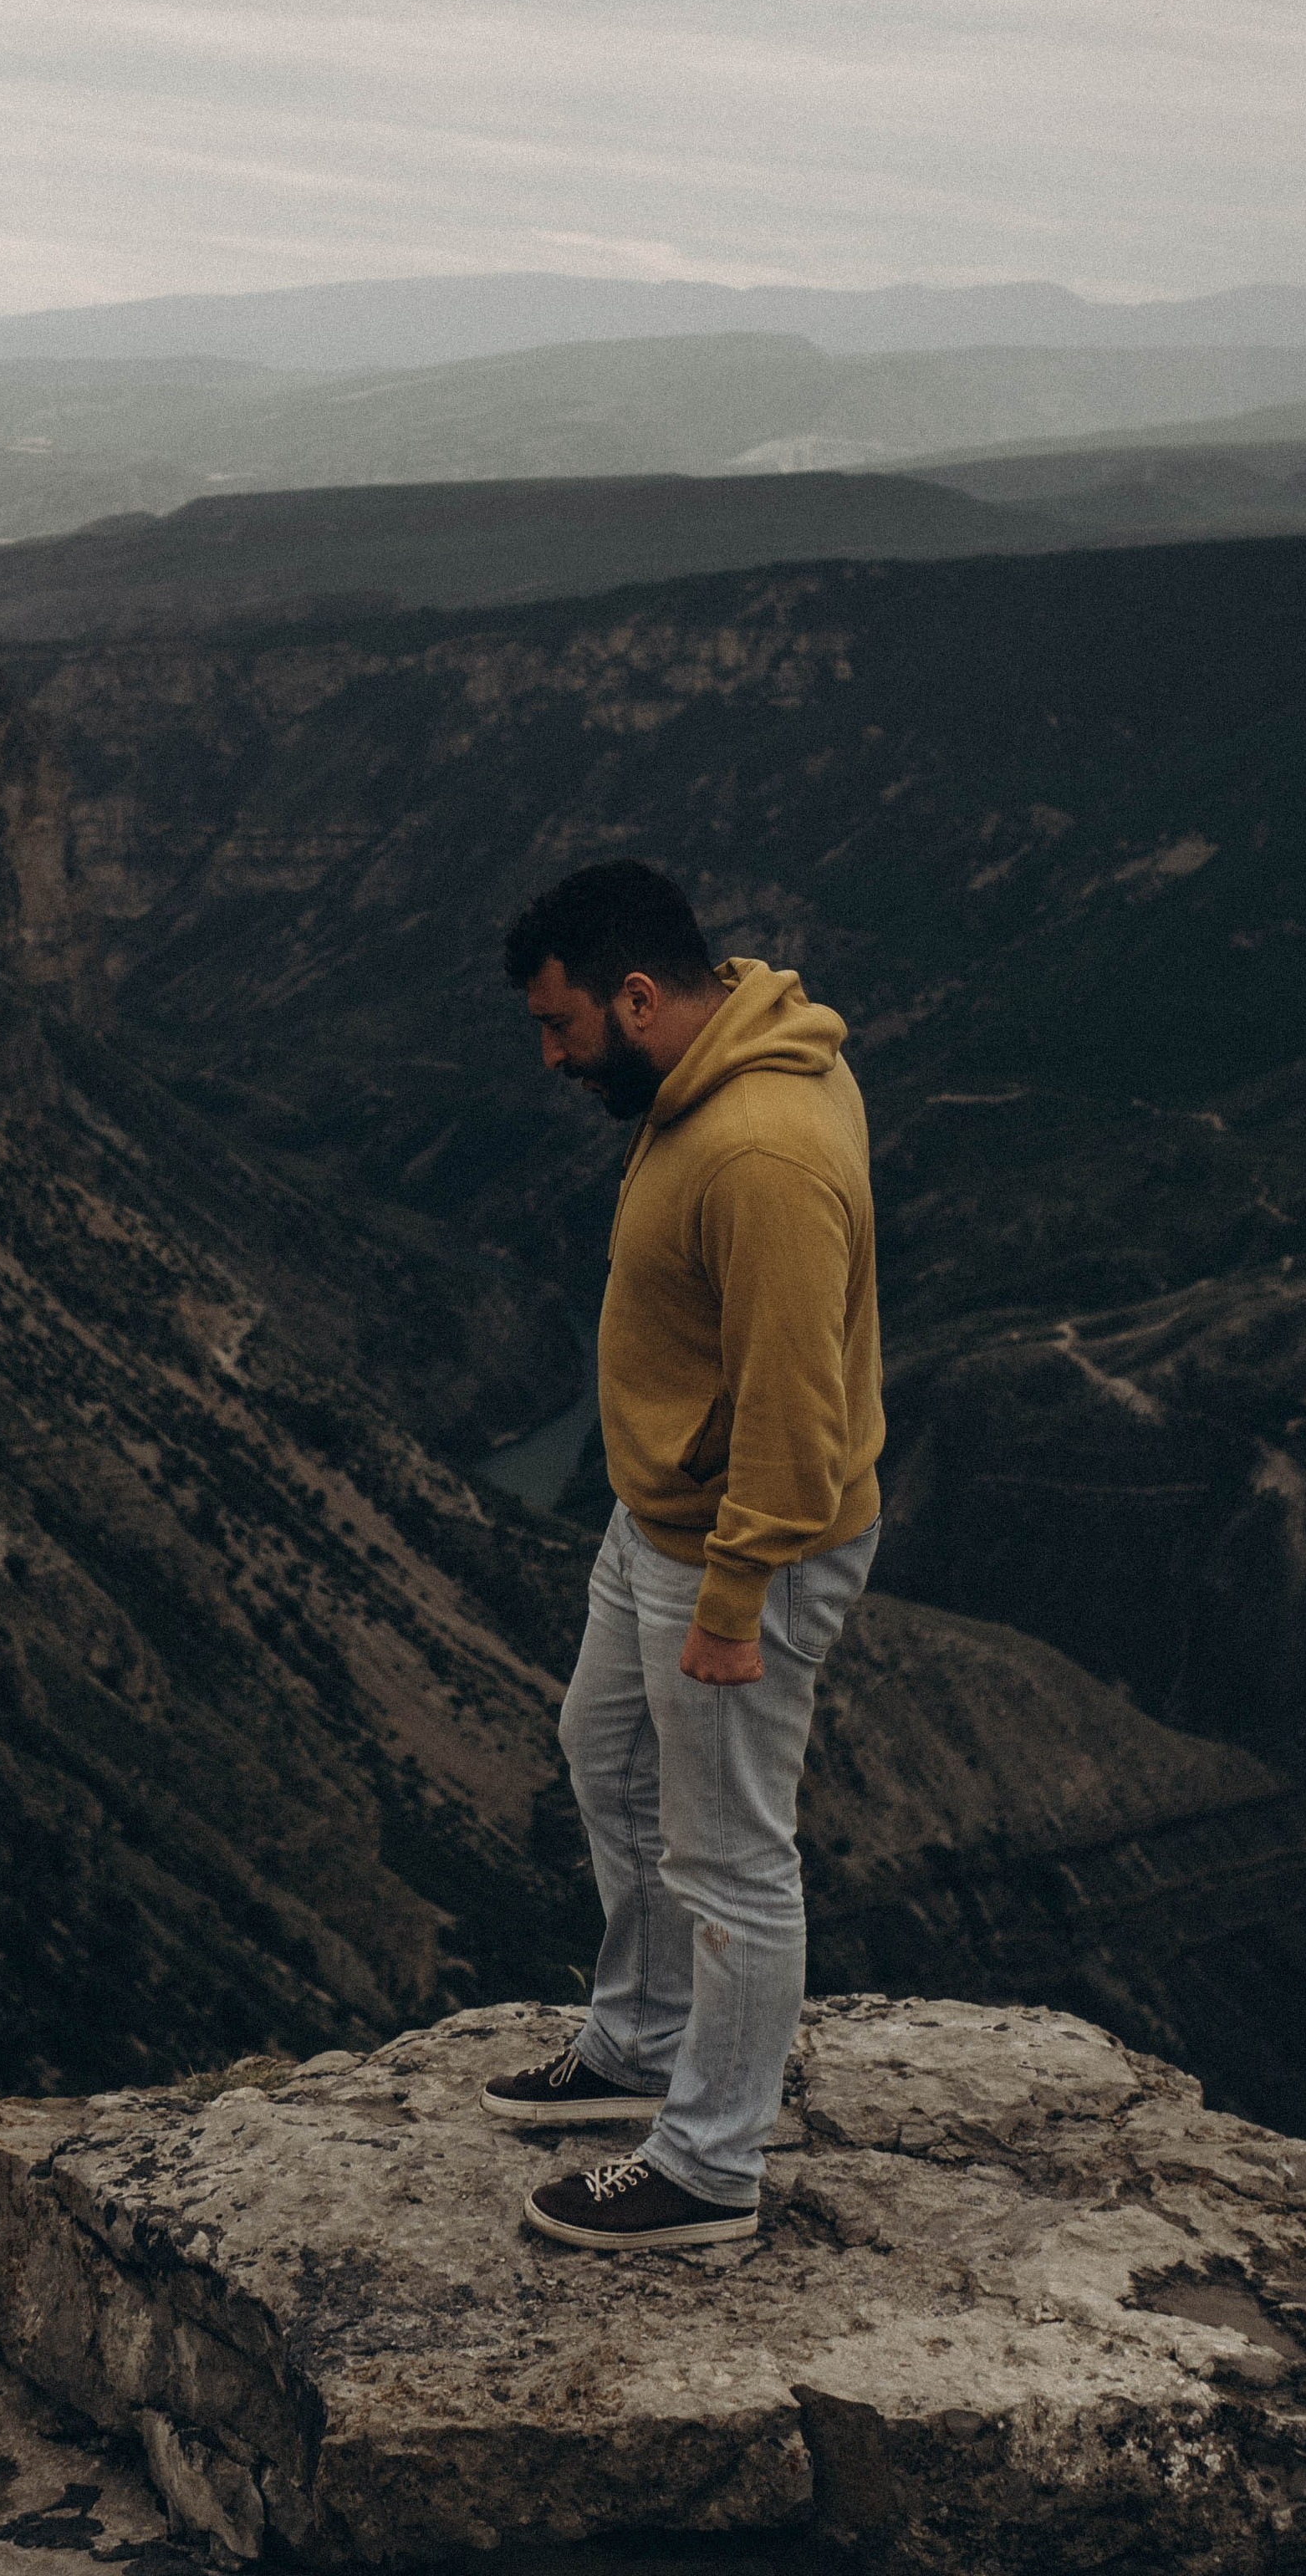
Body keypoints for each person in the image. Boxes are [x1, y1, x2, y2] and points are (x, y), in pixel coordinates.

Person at [481, 860, 884, 2252]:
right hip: (655, 1516)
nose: (550, 1058)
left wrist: (734, 1598)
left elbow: (796, 1411)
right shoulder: (710, 1073)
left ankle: (709, 2169)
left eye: (563, 1027)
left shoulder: (759, 1149)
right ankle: (643, 2036)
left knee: (730, 1856)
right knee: (602, 1747)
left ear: (640, 998)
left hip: (736, 1546)